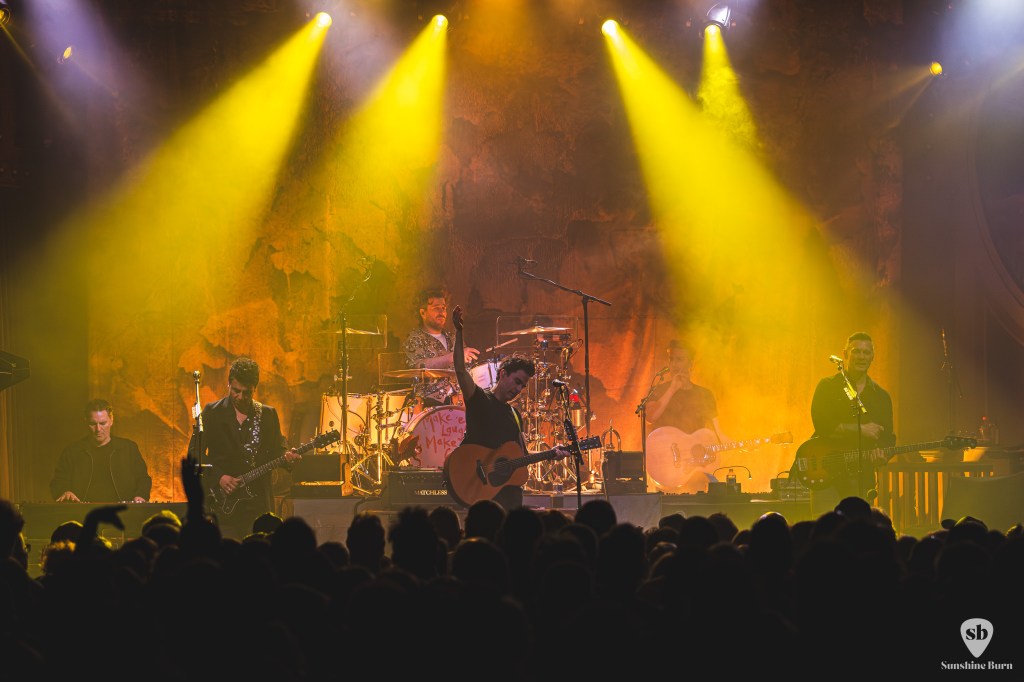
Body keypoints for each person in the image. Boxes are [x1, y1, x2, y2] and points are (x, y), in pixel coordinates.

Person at [449, 305, 568, 510]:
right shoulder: (479, 399)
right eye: (517, 381)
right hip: (482, 490)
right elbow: (460, 370)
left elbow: (520, 456)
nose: (519, 388)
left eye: (523, 385)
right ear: (503, 374)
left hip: (508, 493)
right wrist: (458, 333)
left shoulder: (514, 415)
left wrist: (550, 454)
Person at [189, 357, 300, 540]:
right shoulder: (212, 412)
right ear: (228, 385)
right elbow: (194, 454)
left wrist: (288, 458)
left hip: (258, 504)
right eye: (236, 391)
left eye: (246, 392)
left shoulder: (267, 414)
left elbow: (278, 450)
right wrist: (219, 477)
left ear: (255, 388)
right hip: (224, 503)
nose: (240, 397)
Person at [801, 331, 895, 515]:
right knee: (826, 529)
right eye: (856, 351)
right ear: (845, 354)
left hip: (861, 476)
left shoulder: (881, 396)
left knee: (858, 532)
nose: (861, 356)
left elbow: (888, 438)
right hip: (827, 472)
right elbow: (822, 425)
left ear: (872, 357)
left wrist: (883, 456)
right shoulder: (827, 386)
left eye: (866, 352)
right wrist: (860, 429)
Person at [642, 340, 729, 493]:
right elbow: (651, 417)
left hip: (694, 469)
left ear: (691, 364)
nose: (674, 364)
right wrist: (672, 389)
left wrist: (743, 445)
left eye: (680, 359)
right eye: (672, 359)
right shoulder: (659, 390)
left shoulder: (705, 395)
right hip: (666, 467)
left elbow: (718, 433)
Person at [50, 399, 152, 503]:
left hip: (123, 513)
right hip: (83, 514)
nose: (98, 429)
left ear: (111, 420)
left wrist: (141, 495)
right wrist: (64, 491)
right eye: (93, 424)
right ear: (86, 421)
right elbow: (58, 480)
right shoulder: (72, 451)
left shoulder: (128, 448)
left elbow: (143, 479)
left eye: (103, 423)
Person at [402, 286, 479, 406]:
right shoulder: (414, 338)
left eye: (443, 308)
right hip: (429, 404)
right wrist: (452, 357)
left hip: (458, 401)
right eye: (436, 308)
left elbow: (467, 368)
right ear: (423, 313)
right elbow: (418, 366)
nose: (442, 312)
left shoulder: (453, 337)